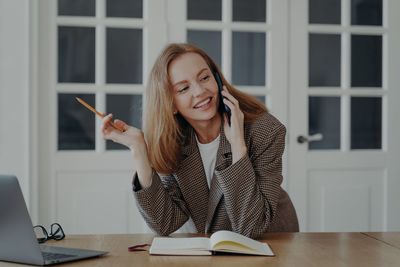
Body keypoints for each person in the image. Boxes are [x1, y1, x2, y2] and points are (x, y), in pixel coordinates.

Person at [101, 43, 299, 239]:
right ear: (171, 104)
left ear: (218, 80)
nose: (200, 91)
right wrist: (139, 150)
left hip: (272, 240)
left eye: (205, 78)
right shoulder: (172, 141)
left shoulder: (265, 130)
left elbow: (251, 228)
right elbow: (165, 223)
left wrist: (238, 145)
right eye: (184, 88)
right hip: (216, 248)